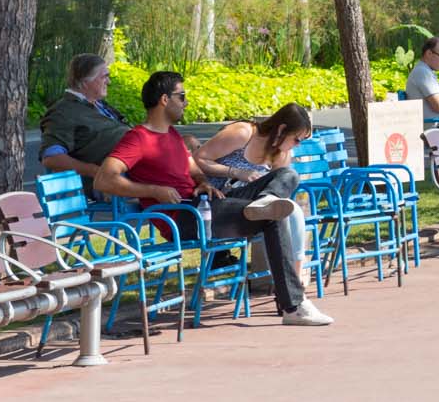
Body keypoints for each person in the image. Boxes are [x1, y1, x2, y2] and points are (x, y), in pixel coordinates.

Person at [94, 72, 332, 327]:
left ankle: (266, 200)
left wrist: (204, 183)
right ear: (164, 99)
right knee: (272, 217)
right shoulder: (138, 138)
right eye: (181, 96)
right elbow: (104, 180)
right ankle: (294, 306)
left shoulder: (171, 135)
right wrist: (154, 190)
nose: (186, 102)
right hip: (184, 217)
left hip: (204, 203)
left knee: (286, 174)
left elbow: (193, 169)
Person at [193, 103, 316, 297]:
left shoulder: (280, 153)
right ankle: (291, 287)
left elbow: (280, 182)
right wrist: (237, 172)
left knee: (291, 194)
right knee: (283, 196)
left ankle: (295, 276)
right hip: (216, 201)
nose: (297, 145)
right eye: (297, 139)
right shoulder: (243, 133)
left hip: (248, 206)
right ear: (282, 129)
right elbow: (199, 158)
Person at [39, 53, 133, 190]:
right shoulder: (63, 112)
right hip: (116, 178)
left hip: (135, 167)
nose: (109, 81)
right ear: (84, 81)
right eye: (104, 76)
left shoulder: (99, 105)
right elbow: (51, 158)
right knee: (170, 184)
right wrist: (96, 171)